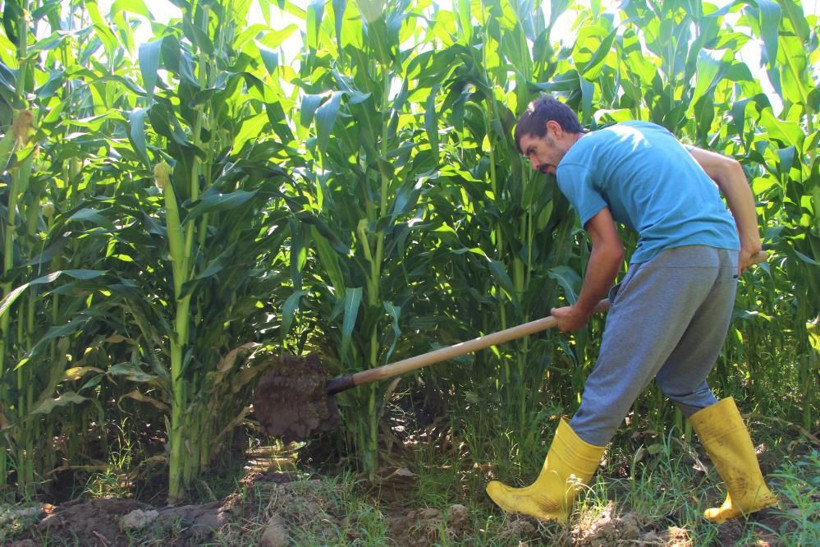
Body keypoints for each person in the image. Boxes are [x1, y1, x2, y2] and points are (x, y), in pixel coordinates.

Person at [486, 95, 778, 523]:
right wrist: (749, 242)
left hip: (673, 251)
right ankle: (749, 491)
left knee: (610, 383)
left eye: (532, 151)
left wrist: (581, 311)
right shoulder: (644, 131)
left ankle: (549, 500)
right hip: (718, 256)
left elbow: (609, 250)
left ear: (554, 130)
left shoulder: (574, 163)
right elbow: (727, 169)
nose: (534, 165)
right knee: (686, 380)